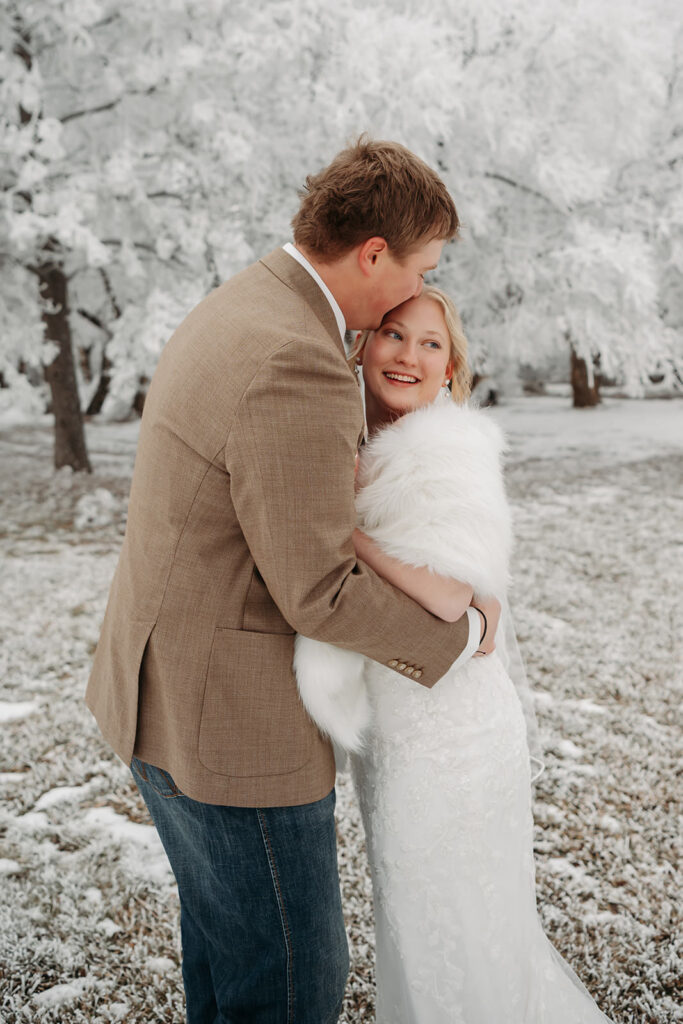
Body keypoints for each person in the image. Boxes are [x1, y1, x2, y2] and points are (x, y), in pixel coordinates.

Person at [85, 139, 494, 1023]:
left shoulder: (244, 300)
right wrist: (459, 638)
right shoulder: (298, 358)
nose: (415, 291)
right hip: (231, 730)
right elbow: (318, 588)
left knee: (231, 964)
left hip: (160, 693)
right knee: (289, 988)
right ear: (373, 254)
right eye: (418, 267)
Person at [295, 287, 613, 1022]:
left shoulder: (448, 449)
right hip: (397, 722)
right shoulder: (353, 441)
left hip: (452, 731)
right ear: (362, 346)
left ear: (451, 367)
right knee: (414, 922)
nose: (408, 355)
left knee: (459, 924)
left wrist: (345, 528)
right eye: (393, 334)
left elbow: (450, 601)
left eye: (430, 344)